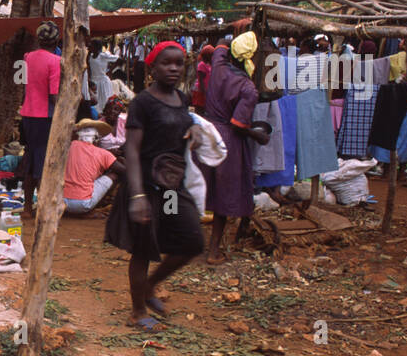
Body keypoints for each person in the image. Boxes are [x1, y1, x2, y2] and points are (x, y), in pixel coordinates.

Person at [104, 42, 206, 331]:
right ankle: (137, 311)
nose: (173, 68)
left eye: (179, 63)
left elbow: (186, 122)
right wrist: (136, 195)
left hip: (171, 188)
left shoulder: (181, 98)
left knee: (190, 239)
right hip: (145, 186)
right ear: (152, 67)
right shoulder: (143, 103)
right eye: (166, 63)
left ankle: (149, 286)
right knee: (143, 248)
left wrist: (194, 128)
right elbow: (132, 150)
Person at [203, 31, 270, 264]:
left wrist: (238, 29)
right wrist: (258, 136)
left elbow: (221, 43)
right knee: (223, 195)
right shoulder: (248, 88)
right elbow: (239, 124)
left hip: (205, 134)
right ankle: (213, 252)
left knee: (198, 187)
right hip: (228, 140)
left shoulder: (218, 65)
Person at [18, 21, 62, 218]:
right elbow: (54, 95)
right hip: (45, 117)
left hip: (27, 114)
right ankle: (44, 210)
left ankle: (28, 207)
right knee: (43, 162)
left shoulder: (27, 57)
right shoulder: (55, 61)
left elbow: (23, 84)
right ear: (57, 39)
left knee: (29, 158)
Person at [64, 117, 123, 216]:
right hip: (82, 204)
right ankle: (91, 210)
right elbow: (124, 171)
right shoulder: (103, 153)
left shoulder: (69, 146)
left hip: (61, 202)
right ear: (96, 138)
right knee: (114, 175)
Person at [193, 44, 215, 113]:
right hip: (200, 91)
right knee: (200, 109)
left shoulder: (210, 64)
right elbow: (201, 82)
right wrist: (204, 93)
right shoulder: (201, 65)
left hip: (206, 91)